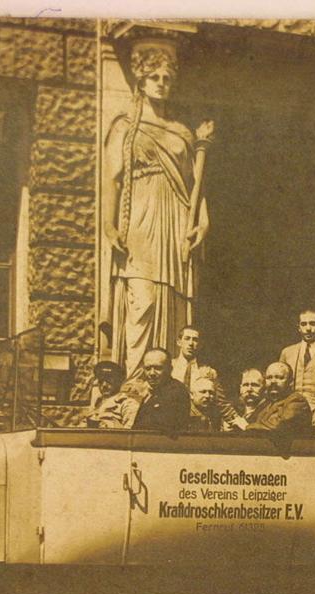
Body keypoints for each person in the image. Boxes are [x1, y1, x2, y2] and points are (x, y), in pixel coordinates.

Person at [99, 37, 212, 375]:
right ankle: (134, 378)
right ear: (141, 80)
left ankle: (172, 378)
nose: (162, 84)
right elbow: (113, 179)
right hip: (140, 218)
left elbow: (196, 187)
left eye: (167, 78)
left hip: (176, 218)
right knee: (142, 299)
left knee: (174, 302)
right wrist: (108, 225)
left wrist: (203, 223)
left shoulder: (182, 133)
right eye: (154, 77)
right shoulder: (126, 126)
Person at [171, 325, 243, 428]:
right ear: (179, 342)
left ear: (199, 345)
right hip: (173, 424)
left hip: (199, 425)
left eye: (195, 340)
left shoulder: (208, 372)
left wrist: (241, 423)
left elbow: (221, 403)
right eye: (187, 339)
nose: (191, 343)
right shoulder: (170, 368)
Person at [246, 362, 313, 435]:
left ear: (290, 381)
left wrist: (246, 427)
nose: (273, 381)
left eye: (279, 377)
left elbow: (277, 426)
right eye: (269, 377)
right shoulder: (266, 403)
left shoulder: (297, 401)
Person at [132, 348, 191, 432]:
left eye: (158, 368)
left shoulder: (176, 391)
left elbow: (158, 428)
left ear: (170, 369)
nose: (152, 373)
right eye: (148, 368)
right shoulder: (152, 392)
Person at [85, 360, 140, 429]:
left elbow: (129, 434)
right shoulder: (98, 402)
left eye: (109, 380)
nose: (104, 385)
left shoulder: (127, 404)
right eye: (101, 381)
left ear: (119, 381)